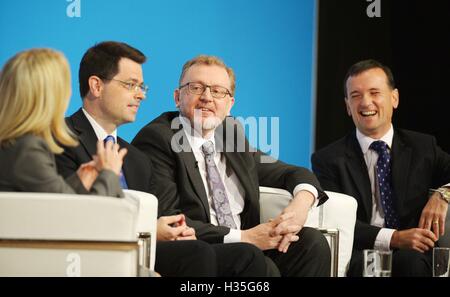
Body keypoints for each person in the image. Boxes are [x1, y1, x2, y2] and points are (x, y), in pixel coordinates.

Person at [55, 41, 271, 277]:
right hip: (85, 256)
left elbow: (153, 216)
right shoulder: (61, 139)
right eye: (130, 85)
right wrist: (150, 230)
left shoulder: (133, 157)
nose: (141, 95)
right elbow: (67, 216)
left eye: (141, 86)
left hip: (142, 249)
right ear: (96, 86)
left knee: (251, 254)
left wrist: (170, 230)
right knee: (199, 253)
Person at [132, 55, 331, 277]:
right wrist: (245, 237)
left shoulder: (230, 135)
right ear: (178, 97)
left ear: (230, 104)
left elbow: (290, 172)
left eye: (218, 91)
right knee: (254, 259)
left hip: (247, 251)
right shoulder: (159, 138)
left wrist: (300, 205)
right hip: (199, 253)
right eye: (196, 88)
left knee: (313, 243)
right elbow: (168, 219)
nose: (207, 97)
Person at [311, 59, 450, 276]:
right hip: (363, 252)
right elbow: (337, 221)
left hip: (414, 254)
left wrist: (444, 194)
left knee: (411, 263)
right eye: (355, 96)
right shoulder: (328, 159)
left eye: (374, 92)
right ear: (348, 106)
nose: (365, 103)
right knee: (370, 267)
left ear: (394, 98)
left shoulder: (423, 147)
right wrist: (394, 238)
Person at [0, 48, 125, 197]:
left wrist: (80, 181)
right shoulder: (28, 149)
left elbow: (54, 202)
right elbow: (76, 216)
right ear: (51, 96)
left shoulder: (14, 144)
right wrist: (109, 174)